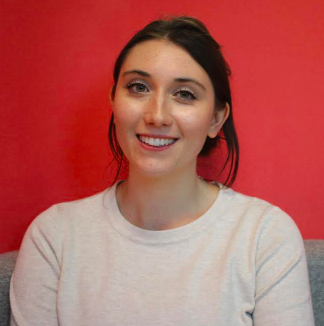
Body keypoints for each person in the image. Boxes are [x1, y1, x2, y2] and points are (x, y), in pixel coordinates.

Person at [10, 16, 314, 326]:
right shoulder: (54, 237)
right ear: (114, 100)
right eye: (138, 87)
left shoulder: (266, 236)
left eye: (185, 94)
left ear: (216, 119)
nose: (157, 115)